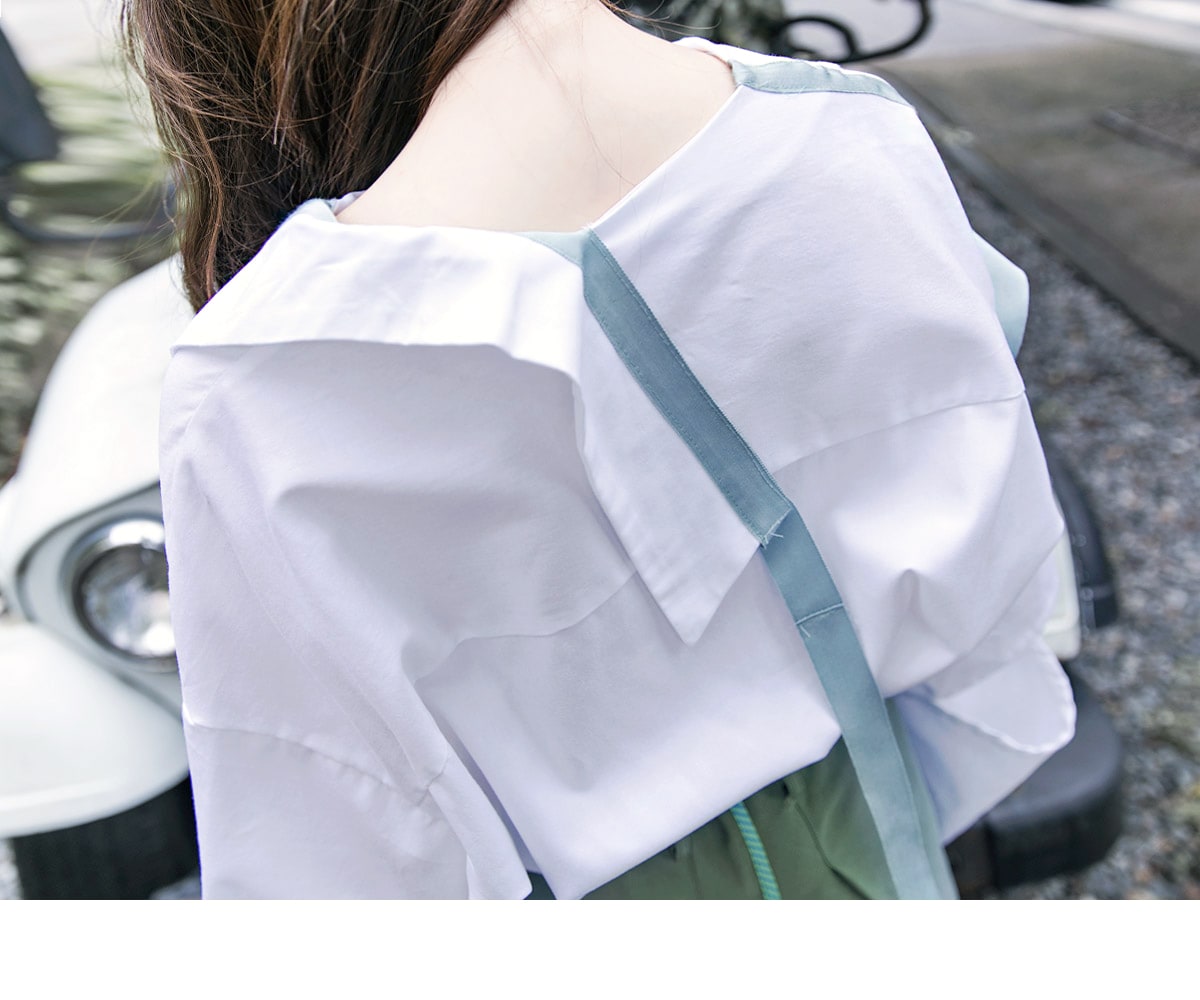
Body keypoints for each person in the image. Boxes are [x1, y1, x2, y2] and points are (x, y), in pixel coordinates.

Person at [126, 0, 1076, 898]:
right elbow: (997, 571)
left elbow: (323, 840)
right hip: (867, 821)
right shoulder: (848, 132)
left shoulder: (260, 373)